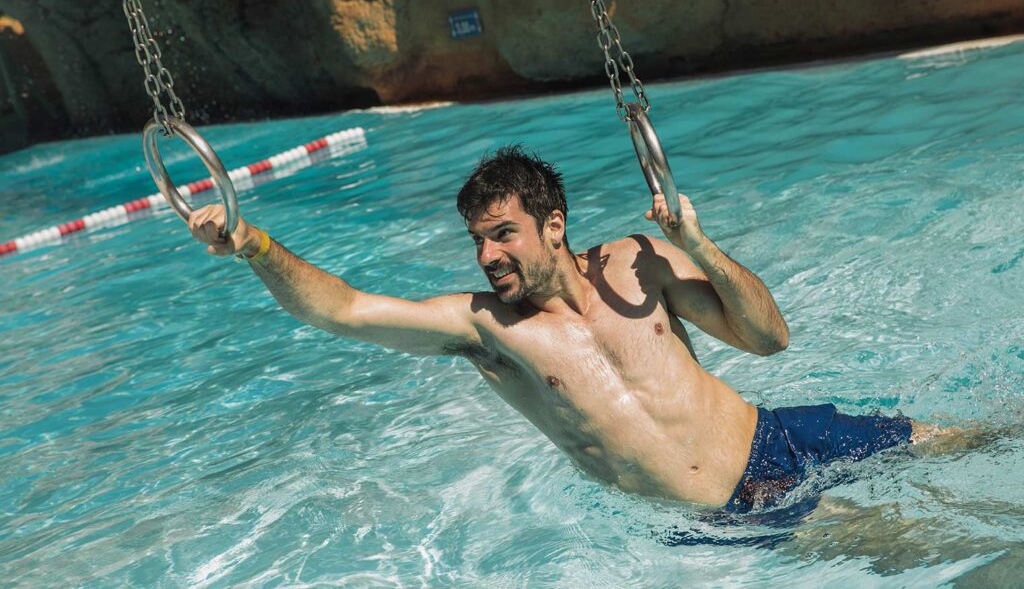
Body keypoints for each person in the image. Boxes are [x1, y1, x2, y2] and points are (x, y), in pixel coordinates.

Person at [187, 145, 937, 513]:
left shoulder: (637, 261)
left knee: (966, 442)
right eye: (477, 240)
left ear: (553, 225)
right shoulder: (486, 329)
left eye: (502, 234)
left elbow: (770, 338)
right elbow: (343, 309)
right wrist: (252, 243)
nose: (487, 256)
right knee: (927, 550)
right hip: (725, 517)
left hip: (782, 437)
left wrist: (699, 243)